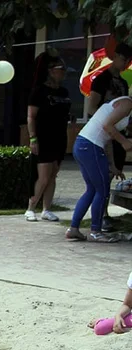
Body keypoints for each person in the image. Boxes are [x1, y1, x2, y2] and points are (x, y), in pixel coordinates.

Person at [65, 95, 132, 243]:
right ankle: (96, 231)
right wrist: (124, 142)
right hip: (91, 146)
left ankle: (74, 229)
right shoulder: (127, 103)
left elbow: (107, 139)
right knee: (102, 190)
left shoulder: (119, 105)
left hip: (84, 145)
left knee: (92, 189)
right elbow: (107, 126)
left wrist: (112, 165)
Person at [87, 41, 132, 232]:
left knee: (114, 172)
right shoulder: (101, 79)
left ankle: (104, 214)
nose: (124, 63)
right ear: (115, 57)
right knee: (102, 175)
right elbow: (91, 107)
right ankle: (100, 216)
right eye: (123, 59)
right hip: (103, 132)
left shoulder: (122, 82)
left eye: (127, 61)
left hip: (119, 134)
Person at [26, 52, 71, 223]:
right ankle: (31, 207)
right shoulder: (39, 91)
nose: (63, 72)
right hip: (43, 136)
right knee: (43, 175)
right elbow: (31, 116)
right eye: (61, 69)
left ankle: (47, 209)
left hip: (59, 136)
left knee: (53, 174)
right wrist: (32, 138)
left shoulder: (64, 91)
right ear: (51, 71)